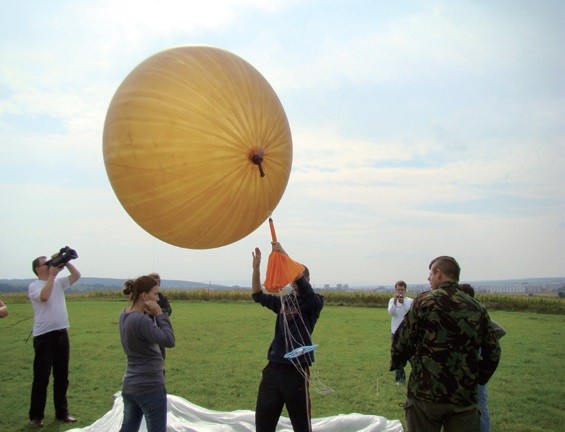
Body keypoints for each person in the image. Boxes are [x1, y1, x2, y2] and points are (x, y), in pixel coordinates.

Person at [390, 256, 501, 432]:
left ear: (439, 273)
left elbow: (401, 342)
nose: (428, 278)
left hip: (425, 395)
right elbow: (493, 352)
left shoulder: (423, 302)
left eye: (431, 273)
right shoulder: (476, 307)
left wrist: (402, 363)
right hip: (463, 397)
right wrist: (476, 378)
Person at [252, 243, 324, 432]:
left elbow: (301, 282)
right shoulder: (284, 301)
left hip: (297, 371)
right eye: (292, 279)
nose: (293, 282)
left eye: (298, 278)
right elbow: (258, 295)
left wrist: (283, 253)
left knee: (301, 425)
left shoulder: (314, 302)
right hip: (273, 368)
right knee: (263, 423)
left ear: (306, 279)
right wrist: (256, 268)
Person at [28, 254, 81, 428]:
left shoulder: (58, 282)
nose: (50, 265)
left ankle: (62, 413)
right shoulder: (34, 285)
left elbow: (76, 276)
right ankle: (36, 417)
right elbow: (44, 297)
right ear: (38, 269)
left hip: (61, 333)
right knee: (41, 378)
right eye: (46, 264)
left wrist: (66, 261)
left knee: (62, 377)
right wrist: (52, 275)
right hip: (44, 336)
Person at [119, 275, 175, 432]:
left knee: (128, 427)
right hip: (149, 386)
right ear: (144, 296)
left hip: (130, 384)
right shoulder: (141, 320)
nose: (158, 299)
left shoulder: (124, 314)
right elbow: (169, 340)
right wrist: (160, 315)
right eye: (155, 294)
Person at [459, 283, 507, 432]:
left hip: (475, 367)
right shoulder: (465, 313)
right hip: (462, 370)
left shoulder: (477, 314)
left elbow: (500, 330)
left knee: (480, 404)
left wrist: (482, 342)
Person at [387, 280, 413, 384]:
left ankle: (415, 377)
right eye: (398, 289)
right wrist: (394, 301)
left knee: (412, 356)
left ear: (405, 290)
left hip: (408, 332)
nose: (400, 292)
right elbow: (390, 312)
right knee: (397, 355)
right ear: (396, 290)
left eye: (402, 289)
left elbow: (411, 314)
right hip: (395, 332)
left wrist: (403, 303)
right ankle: (400, 379)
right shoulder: (391, 301)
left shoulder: (410, 301)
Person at [148, 273, 173, 361]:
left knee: (161, 355)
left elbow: (169, 310)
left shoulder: (162, 297)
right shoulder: (143, 299)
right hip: (149, 329)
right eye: (154, 282)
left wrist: (159, 312)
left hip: (160, 328)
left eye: (158, 283)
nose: (157, 285)